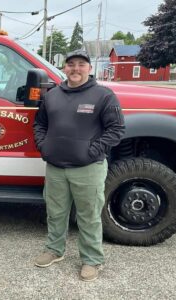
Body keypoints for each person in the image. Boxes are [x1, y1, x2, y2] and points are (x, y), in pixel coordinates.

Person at [32, 49, 125, 281]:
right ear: (64, 68)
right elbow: (39, 125)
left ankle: (92, 260)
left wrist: (92, 151)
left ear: (89, 68)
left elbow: (116, 130)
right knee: (55, 212)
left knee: (89, 215)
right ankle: (54, 250)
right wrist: (44, 147)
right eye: (71, 64)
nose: (75, 68)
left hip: (88, 168)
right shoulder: (52, 95)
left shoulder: (104, 96)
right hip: (55, 167)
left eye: (81, 64)